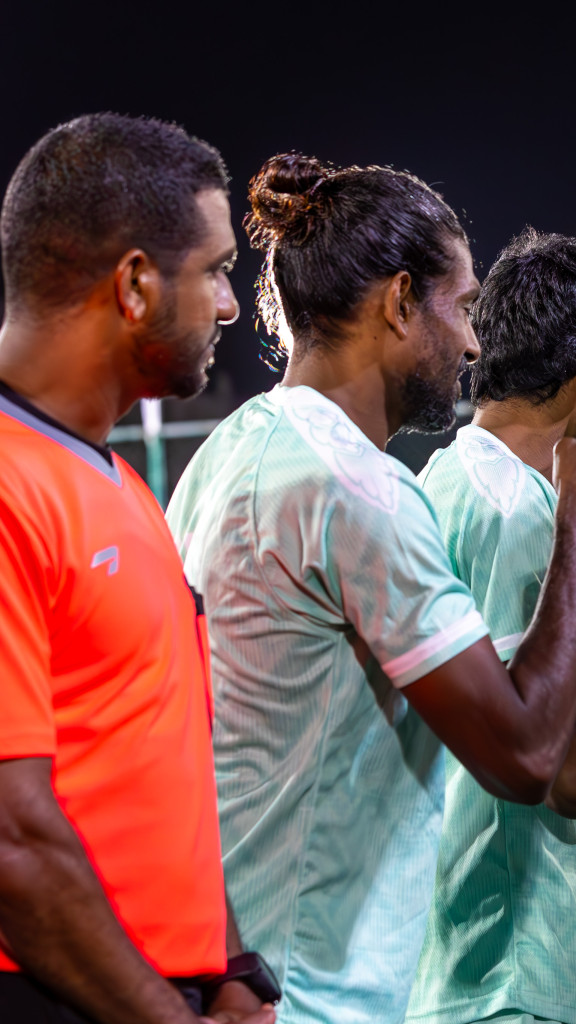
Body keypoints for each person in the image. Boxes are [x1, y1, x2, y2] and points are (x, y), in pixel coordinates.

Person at [167, 158, 576, 1023]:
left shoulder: (227, 452)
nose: (472, 344)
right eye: (461, 308)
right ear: (398, 302)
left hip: (235, 961)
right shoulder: (356, 489)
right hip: (317, 989)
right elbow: (528, 756)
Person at [0, 114, 274, 1024]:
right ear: (135, 286)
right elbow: (12, 840)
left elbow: (159, 764)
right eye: (215, 271)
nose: (231, 304)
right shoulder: (9, 484)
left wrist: (228, 964)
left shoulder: (115, 478)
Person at [407, 227, 576, 1024]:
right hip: (515, 979)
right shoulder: (517, 515)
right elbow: (552, 767)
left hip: (506, 978)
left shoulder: (459, 483)